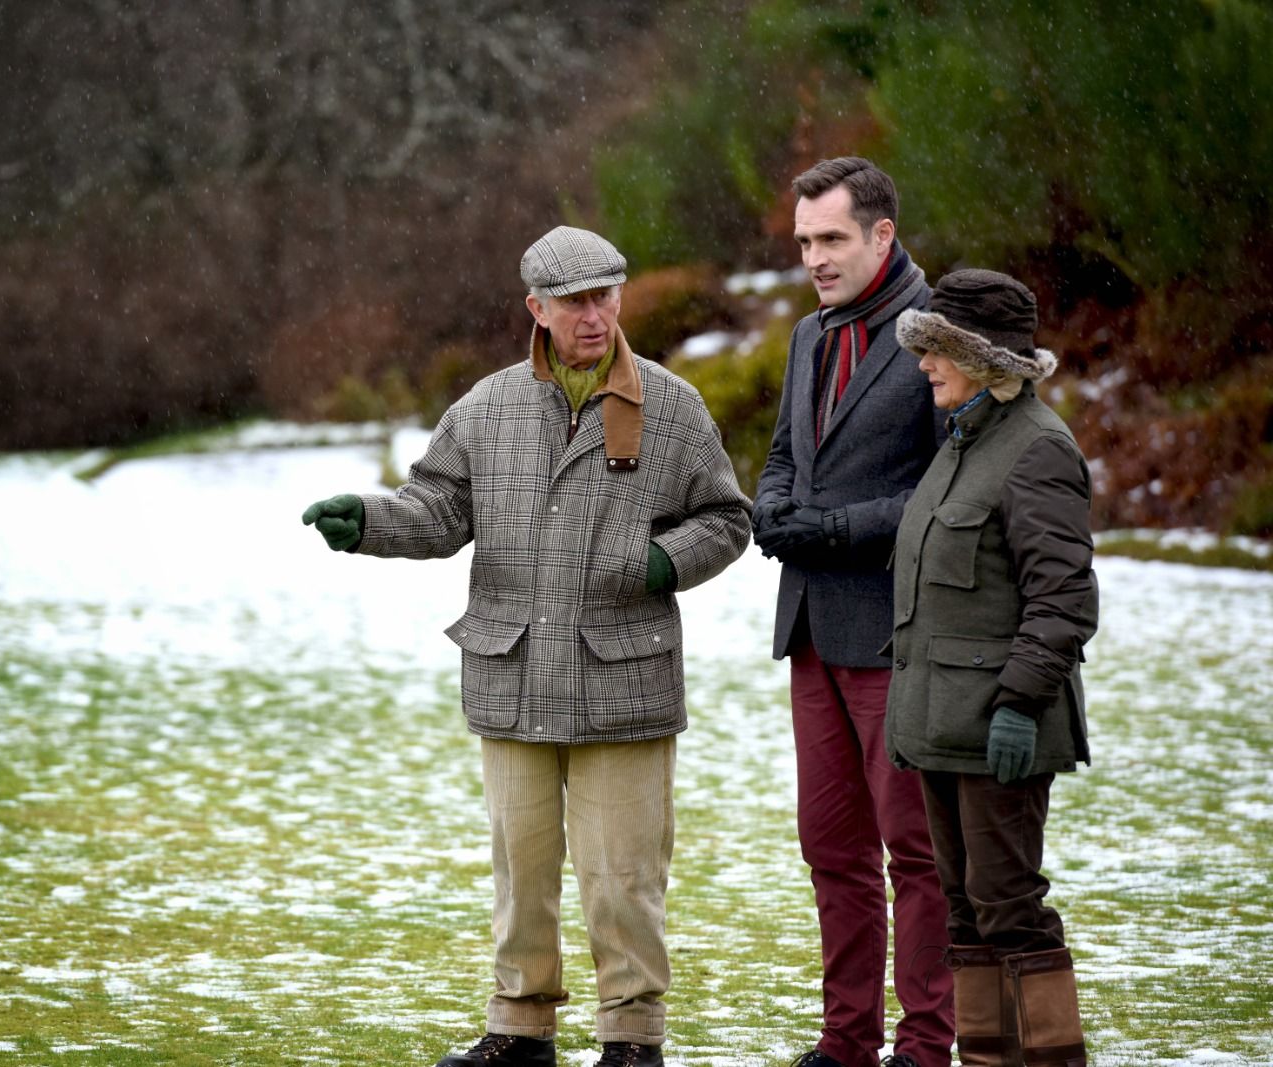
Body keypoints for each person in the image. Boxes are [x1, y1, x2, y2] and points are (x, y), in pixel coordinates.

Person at [301, 225, 751, 1067]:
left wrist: (663, 562)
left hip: (625, 678)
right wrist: (369, 521)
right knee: (523, 869)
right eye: (575, 300)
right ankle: (518, 1029)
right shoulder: (484, 407)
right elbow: (436, 510)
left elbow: (727, 519)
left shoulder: (674, 405)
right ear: (536, 308)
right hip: (512, 676)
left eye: (606, 294)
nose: (595, 314)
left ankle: (631, 1039)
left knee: (624, 878)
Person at [751, 156, 954, 1067]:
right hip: (810, 628)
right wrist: (772, 506)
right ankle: (846, 1044)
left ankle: (925, 1045)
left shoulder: (942, 335)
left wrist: (837, 527)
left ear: (882, 233)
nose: (815, 259)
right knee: (829, 847)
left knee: (915, 851)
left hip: (896, 630)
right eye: (803, 243)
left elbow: (948, 494)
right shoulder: (807, 335)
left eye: (831, 238)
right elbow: (785, 453)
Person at [887, 270, 1097, 1067]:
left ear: (984, 356)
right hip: (943, 727)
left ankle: (1049, 1060)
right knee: (966, 912)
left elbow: (1063, 600)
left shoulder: (1038, 447)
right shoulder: (961, 440)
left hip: (1002, 726)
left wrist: (1017, 703)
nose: (923, 365)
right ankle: (986, 1058)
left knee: (1009, 908)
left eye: (938, 350)